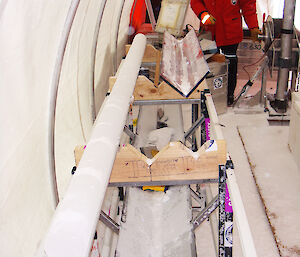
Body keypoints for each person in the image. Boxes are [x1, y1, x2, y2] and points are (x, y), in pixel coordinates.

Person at [191, 0, 261, 106]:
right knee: (207, 66)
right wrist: (204, 15)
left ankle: (228, 97)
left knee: (230, 66)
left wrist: (253, 27)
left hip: (230, 33)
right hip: (209, 32)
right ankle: (207, 97)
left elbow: (248, 6)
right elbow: (195, 1)